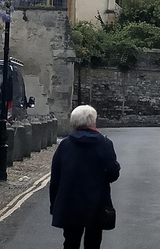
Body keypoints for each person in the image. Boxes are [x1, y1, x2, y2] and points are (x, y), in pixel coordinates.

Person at [50, 105, 120, 249]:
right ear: (93, 121)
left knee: (70, 243)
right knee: (93, 243)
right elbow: (113, 174)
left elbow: (55, 177)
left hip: (69, 204)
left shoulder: (65, 145)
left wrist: (54, 205)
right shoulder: (105, 144)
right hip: (97, 204)